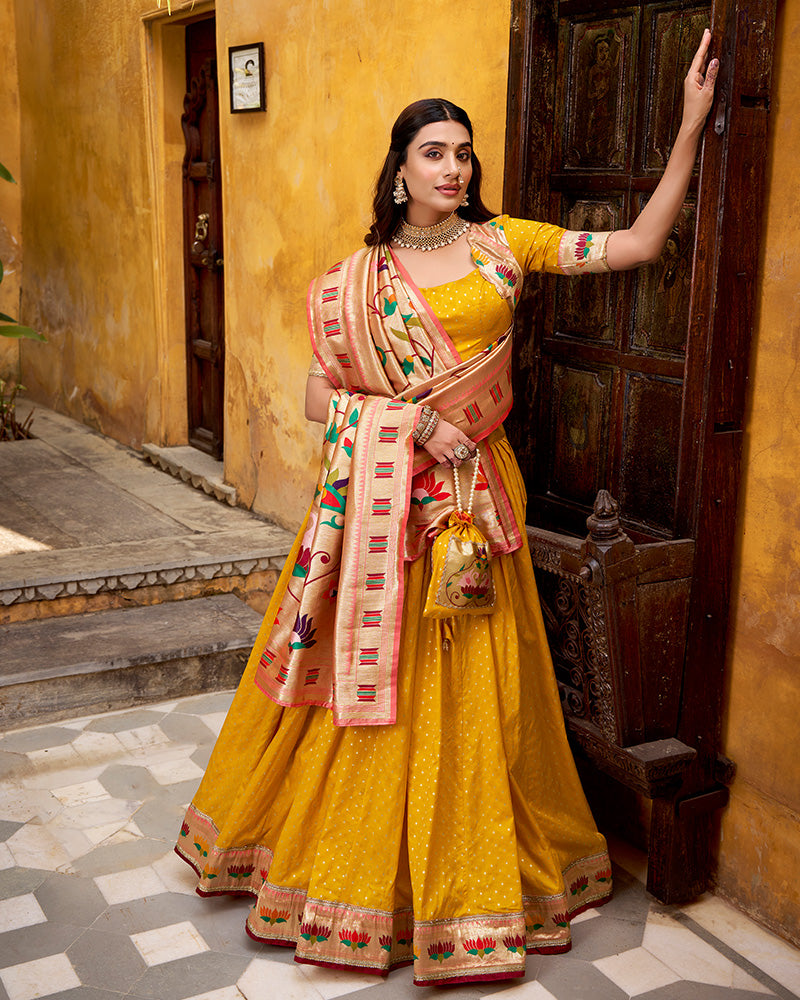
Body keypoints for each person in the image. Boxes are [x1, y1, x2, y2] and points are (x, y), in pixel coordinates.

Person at [175, 31, 718, 987]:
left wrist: (688, 128)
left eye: (463, 153)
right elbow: (316, 397)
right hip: (383, 505)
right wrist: (412, 425)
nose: (454, 168)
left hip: (475, 498)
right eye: (434, 152)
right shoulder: (354, 282)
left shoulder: (505, 245)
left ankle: (467, 878)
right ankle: (351, 877)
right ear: (399, 170)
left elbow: (635, 245)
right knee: (370, 675)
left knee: (475, 683)